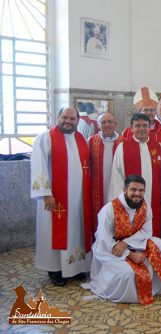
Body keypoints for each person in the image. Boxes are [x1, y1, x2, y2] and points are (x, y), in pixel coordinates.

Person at [88, 174, 161, 305]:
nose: (137, 194)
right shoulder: (109, 210)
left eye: (141, 190)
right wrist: (129, 254)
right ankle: (134, 295)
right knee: (128, 273)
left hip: (132, 244)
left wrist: (126, 243)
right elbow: (104, 240)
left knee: (160, 244)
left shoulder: (145, 206)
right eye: (133, 190)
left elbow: (146, 231)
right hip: (110, 250)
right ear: (124, 190)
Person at [30, 107, 92, 286]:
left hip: (78, 199)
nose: (68, 121)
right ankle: (55, 270)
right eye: (64, 117)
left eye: (72, 119)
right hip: (55, 199)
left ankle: (76, 267)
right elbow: (38, 166)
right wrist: (45, 193)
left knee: (77, 231)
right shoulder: (46, 137)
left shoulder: (81, 139)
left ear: (77, 120)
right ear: (57, 117)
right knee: (54, 233)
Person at [109, 113, 161, 239]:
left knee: (153, 228)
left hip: (154, 196)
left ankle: (152, 256)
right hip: (132, 199)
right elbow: (116, 174)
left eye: (145, 126)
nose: (142, 129)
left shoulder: (157, 147)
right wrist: (120, 198)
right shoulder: (123, 147)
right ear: (131, 128)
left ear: (149, 128)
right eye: (137, 126)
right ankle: (132, 256)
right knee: (132, 228)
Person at [88, 112, 122, 235]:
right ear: (98, 125)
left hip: (117, 188)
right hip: (97, 189)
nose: (107, 125)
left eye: (110, 122)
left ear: (115, 124)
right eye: (103, 122)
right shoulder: (91, 142)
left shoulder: (124, 142)